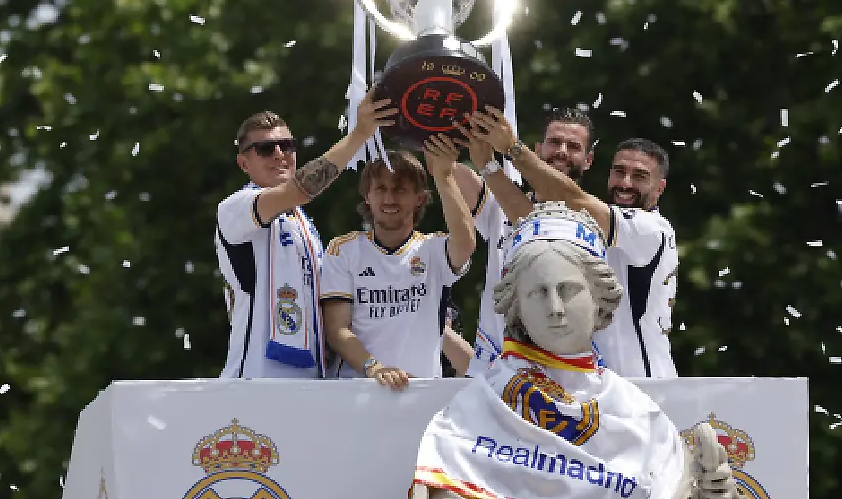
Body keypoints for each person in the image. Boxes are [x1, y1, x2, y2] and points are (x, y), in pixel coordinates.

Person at [336, 204, 762, 499]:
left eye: (569, 290)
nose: (555, 308)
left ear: (599, 299)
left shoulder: (639, 415)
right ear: (516, 306)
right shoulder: (483, 402)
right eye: (538, 293)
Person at [466, 107, 680, 378]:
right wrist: (487, 166)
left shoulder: (650, 228)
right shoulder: (601, 220)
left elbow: (574, 200)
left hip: (642, 382)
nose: (625, 183)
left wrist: (512, 148)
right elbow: (531, 219)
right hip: (598, 385)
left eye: (639, 176)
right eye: (619, 172)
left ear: (660, 188)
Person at [215, 91, 396, 379]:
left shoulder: (303, 225)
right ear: (243, 163)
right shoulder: (235, 208)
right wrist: (360, 134)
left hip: (311, 383)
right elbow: (301, 189)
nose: (279, 154)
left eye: (287, 145)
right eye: (264, 148)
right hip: (255, 379)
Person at [319, 136, 475, 389]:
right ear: (367, 196)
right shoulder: (343, 249)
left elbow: (466, 244)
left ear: (420, 199)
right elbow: (337, 330)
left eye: (400, 189)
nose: (389, 198)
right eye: (381, 189)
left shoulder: (433, 249)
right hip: (356, 393)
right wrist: (375, 368)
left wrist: (444, 176)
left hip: (421, 394)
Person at [451, 107, 597, 375]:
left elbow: (536, 223)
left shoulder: (594, 220)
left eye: (573, 146)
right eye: (554, 142)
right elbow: (448, 170)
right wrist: (445, 126)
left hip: (562, 371)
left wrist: (502, 156)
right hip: (495, 366)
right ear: (538, 149)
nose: (562, 151)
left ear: (588, 160)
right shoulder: (499, 206)